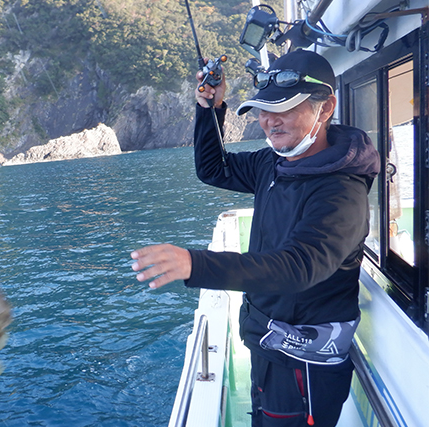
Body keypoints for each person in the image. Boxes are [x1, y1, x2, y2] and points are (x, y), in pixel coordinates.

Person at [130, 49, 380, 427]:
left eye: (283, 110)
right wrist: (211, 109)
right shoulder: (274, 162)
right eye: (264, 110)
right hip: (266, 343)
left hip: (304, 365)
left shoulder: (342, 191)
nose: (268, 122)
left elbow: (299, 267)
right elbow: (215, 169)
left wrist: (196, 264)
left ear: (325, 108)